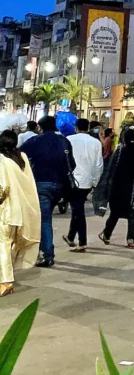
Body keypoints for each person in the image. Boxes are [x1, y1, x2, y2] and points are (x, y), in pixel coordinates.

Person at [22, 114, 74, 268]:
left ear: (41, 126)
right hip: (59, 186)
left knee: (43, 220)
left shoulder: (35, 141)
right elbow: (72, 164)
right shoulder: (64, 141)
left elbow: (20, 157)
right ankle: (42, 250)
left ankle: (47, 255)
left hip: (40, 184)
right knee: (45, 218)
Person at [0, 129, 41, 295]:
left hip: (6, 211)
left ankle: (6, 281)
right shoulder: (21, 158)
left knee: (3, 245)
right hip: (21, 210)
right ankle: (6, 277)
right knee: (8, 245)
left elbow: (2, 187)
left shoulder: (2, 159)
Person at [96, 128, 134, 248]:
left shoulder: (119, 151)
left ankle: (107, 235)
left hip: (118, 189)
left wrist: (107, 185)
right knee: (133, 215)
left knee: (115, 213)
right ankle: (131, 239)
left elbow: (111, 169)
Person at [64, 118, 104, 252]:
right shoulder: (96, 142)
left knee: (78, 211)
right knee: (77, 208)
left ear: (76, 127)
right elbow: (99, 165)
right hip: (87, 181)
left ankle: (82, 241)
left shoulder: (68, 139)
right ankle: (70, 236)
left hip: (72, 180)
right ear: (88, 128)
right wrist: (95, 182)